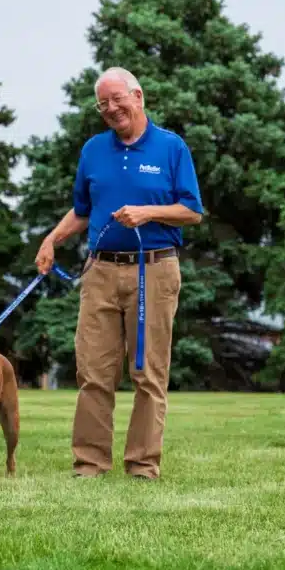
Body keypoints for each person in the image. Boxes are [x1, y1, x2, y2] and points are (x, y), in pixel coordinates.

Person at [34, 66, 203, 480]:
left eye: (117, 99)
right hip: (100, 273)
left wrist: (148, 212)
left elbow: (192, 211)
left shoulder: (171, 147)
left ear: (138, 96)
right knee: (93, 372)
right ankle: (89, 465)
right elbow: (82, 210)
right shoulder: (93, 150)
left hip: (156, 272)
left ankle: (142, 466)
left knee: (148, 372)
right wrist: (51, 240)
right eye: (103, 103)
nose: (111, 108)